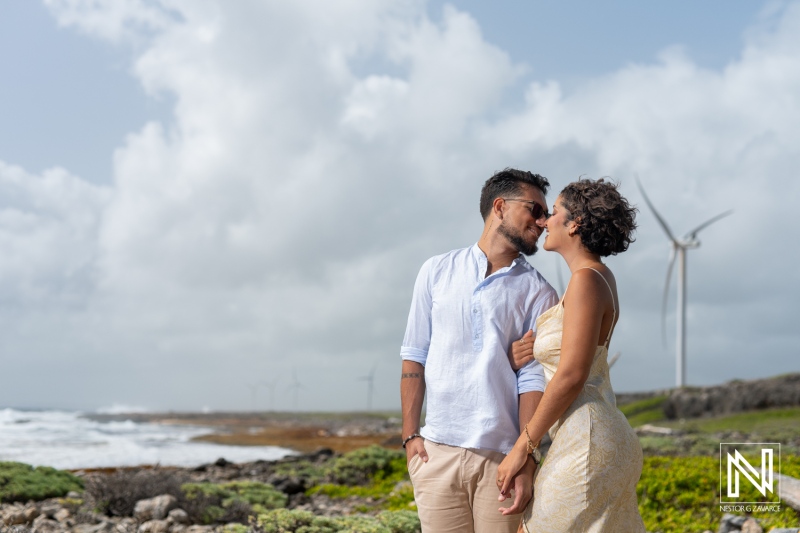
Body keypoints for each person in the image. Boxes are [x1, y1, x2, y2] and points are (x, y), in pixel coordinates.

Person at [400, 168, 559, 533]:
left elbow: (532, 378)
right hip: (435, 454)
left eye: (545, 213)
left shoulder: (540, 292)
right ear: (500, 207)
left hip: (503, 458)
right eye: (535, 209)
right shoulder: (435, 270)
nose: (543, 220)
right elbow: (414, 355)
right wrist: (410, 436)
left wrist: (527, 458)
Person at [496, 178, 646, 533]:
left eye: (553, 213)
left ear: (574, 223)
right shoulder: (600, 278)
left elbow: (572, 374)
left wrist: (523, 448)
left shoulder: (585, 281)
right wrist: (528, 353)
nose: (545, 221)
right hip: (598, 433)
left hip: (587, 438)